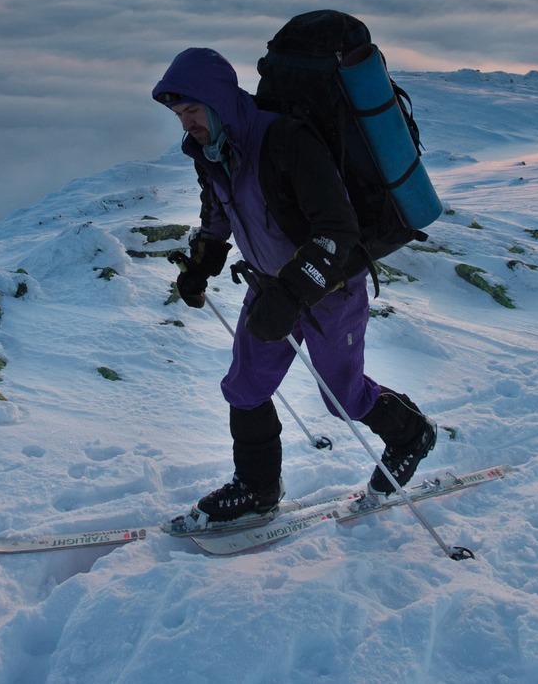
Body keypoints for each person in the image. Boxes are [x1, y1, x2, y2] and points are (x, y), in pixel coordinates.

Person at [152, 46, 437, 528]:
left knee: (342, 395)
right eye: (180, 115)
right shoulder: (212, 152)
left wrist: (292, 294)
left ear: (219, 100)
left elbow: (337, 229)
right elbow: (217, 212)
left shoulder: (285, 141)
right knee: (245, 386)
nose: (187, 123)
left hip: (330, 289)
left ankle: (411, 435)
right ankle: (258, 488)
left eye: (193, 110)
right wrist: (201, 264)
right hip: (269, 287)